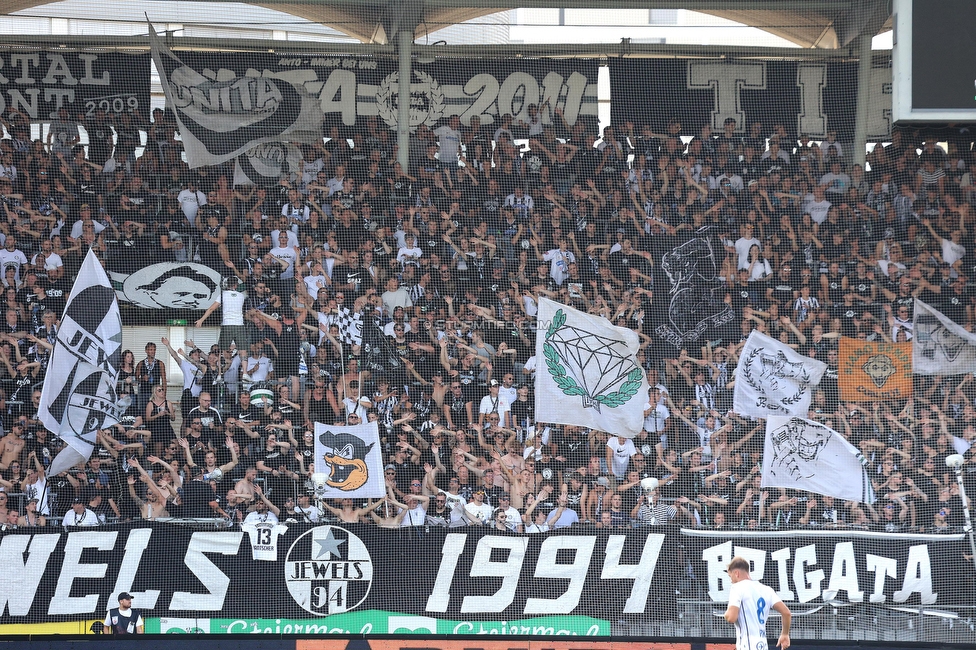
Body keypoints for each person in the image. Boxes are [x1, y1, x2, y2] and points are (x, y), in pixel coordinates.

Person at [723, 555, 791, 650]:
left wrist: (725, 614)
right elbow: (786, 613)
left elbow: (731, 617)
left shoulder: (737, 588)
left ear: (736, 573)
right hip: (762, 645)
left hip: (747, 645)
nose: (731, 581)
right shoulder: (767, 590)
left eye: (730, 576)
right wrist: (785, 634)